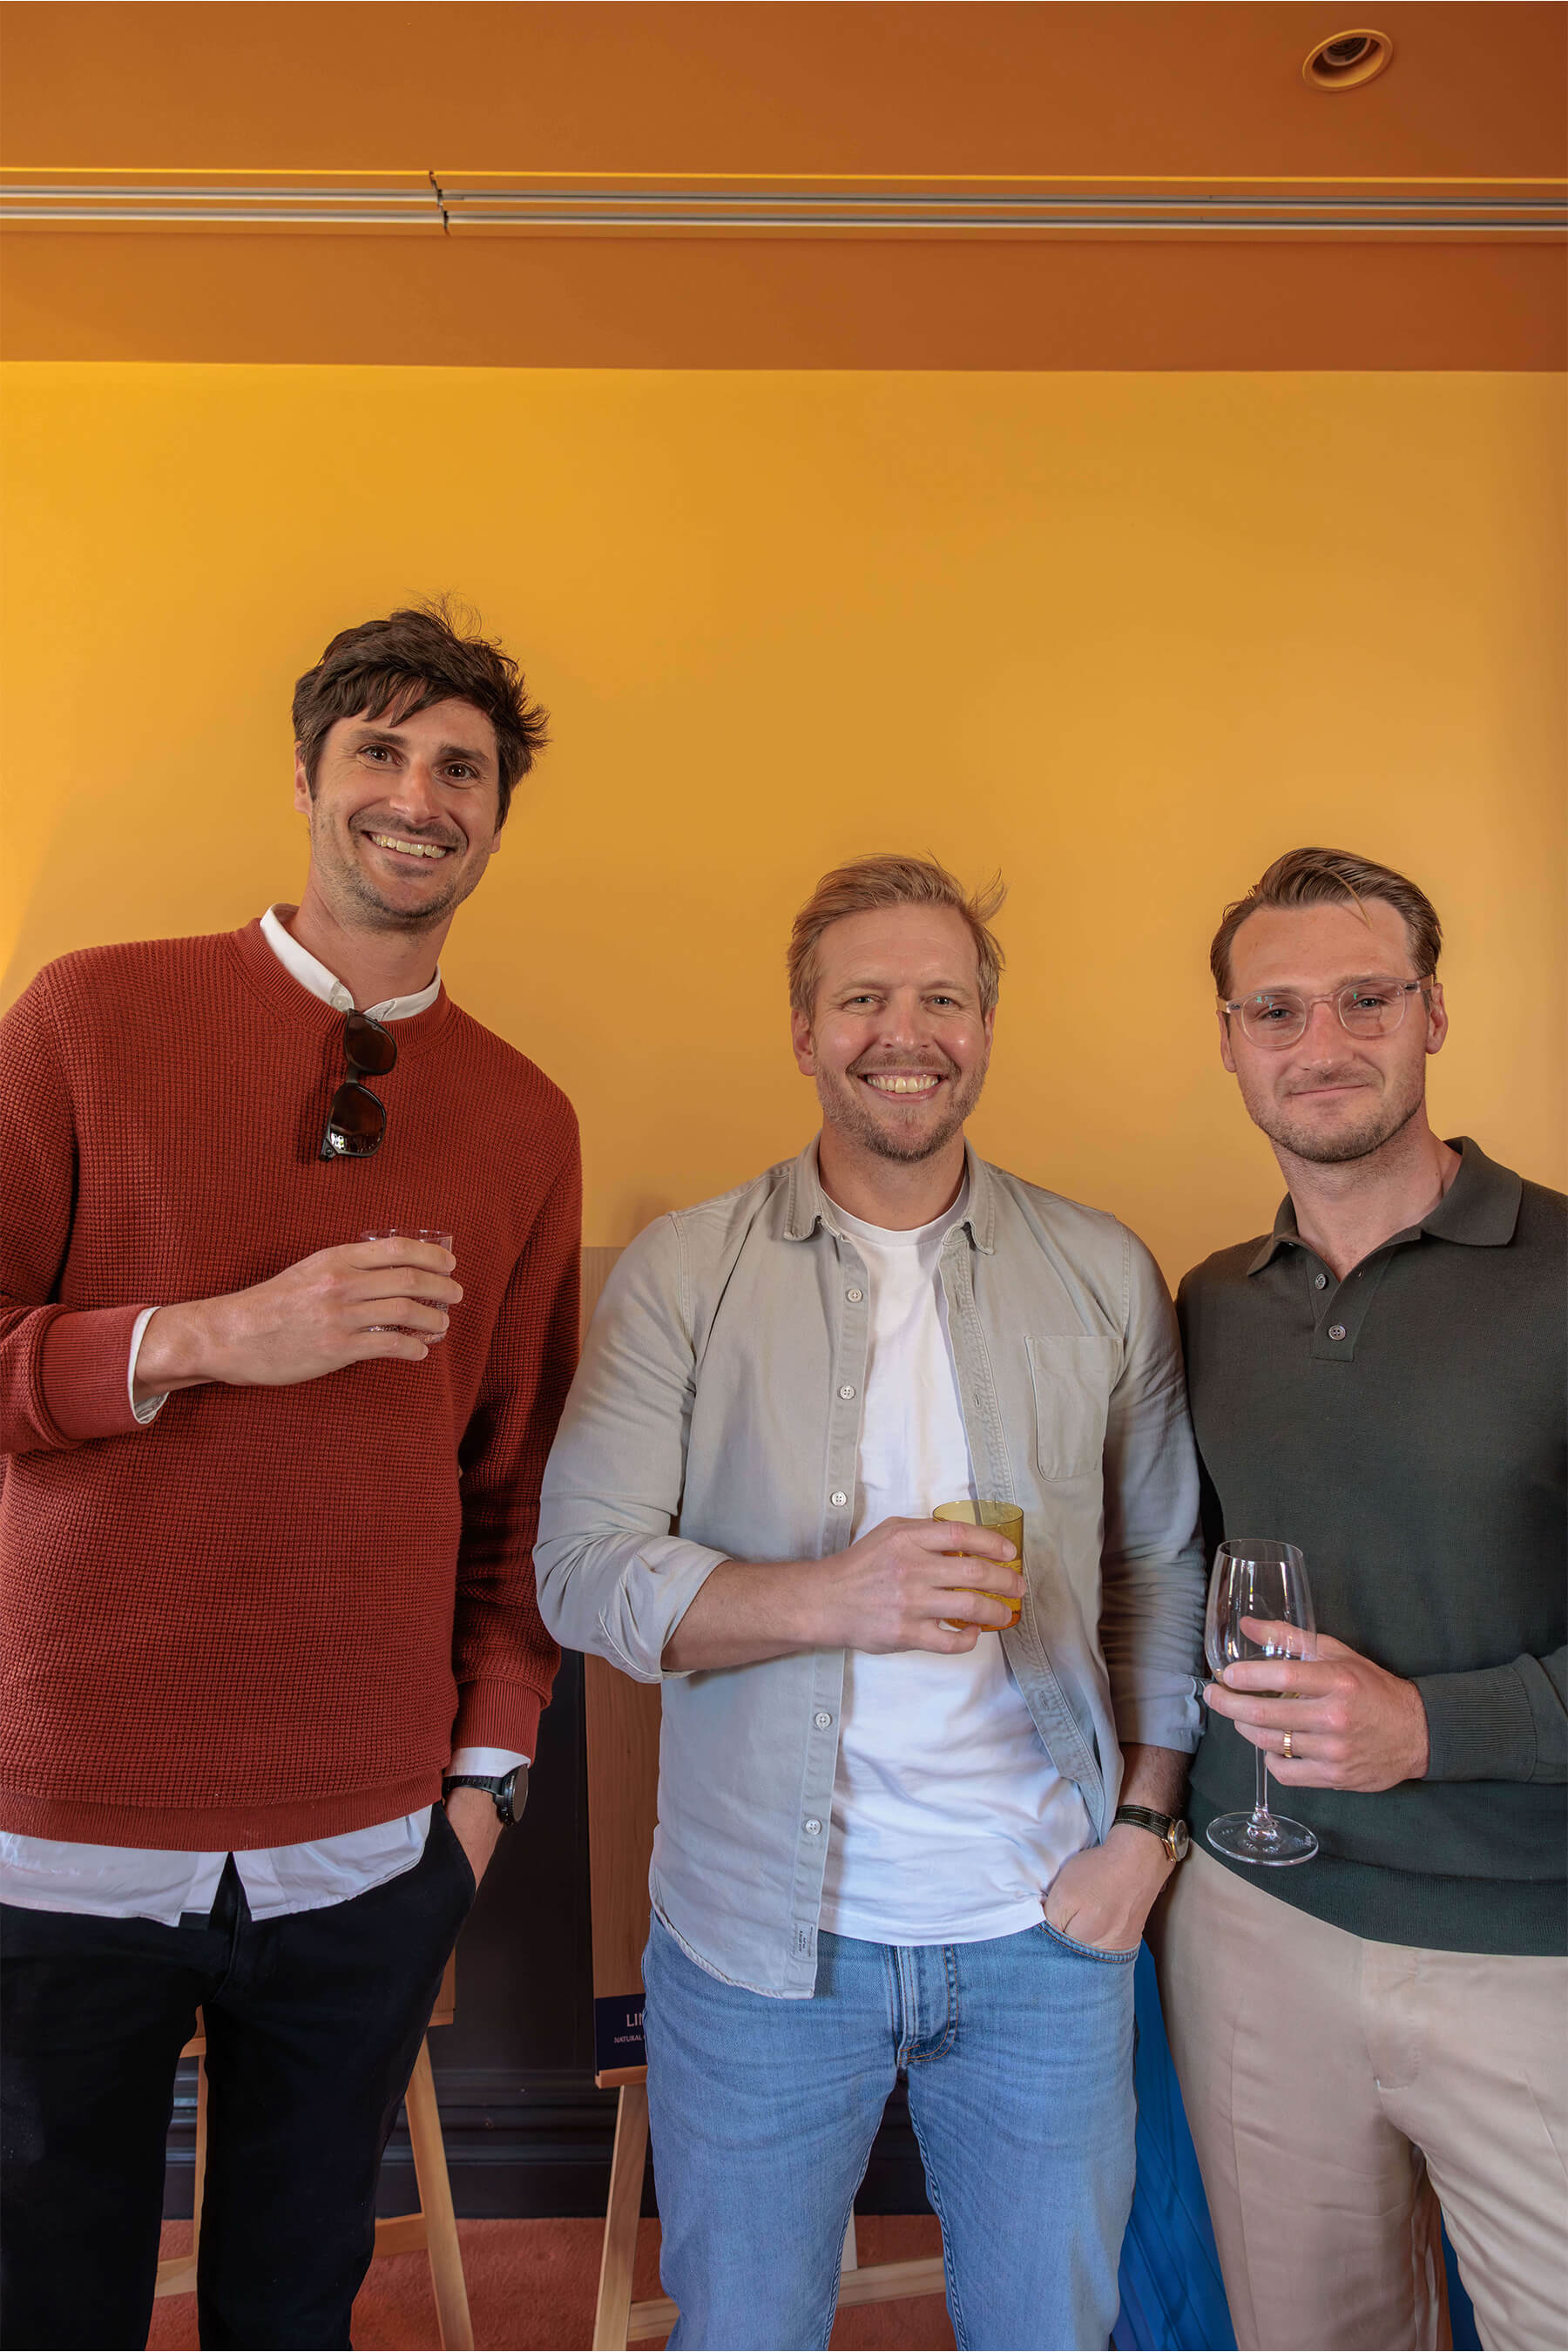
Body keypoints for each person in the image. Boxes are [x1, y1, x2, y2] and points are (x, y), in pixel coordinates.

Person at [0, 603, 581, 2350]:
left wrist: (482, 1789)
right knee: (45, 2300)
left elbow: (519, 1484)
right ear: (312, 782)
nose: (420, 794)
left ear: (495, 815)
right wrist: (199, 1339)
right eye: (382, 753)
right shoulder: (91, 1014)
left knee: (293, 2304)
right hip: (64, 1823)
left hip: (363, 1846)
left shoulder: (523, 1117)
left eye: (461, 767)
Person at [537, 853, 1206, 2352]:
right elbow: (580, 1574)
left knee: (1053, 2332)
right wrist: (834, 1595)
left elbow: (1160, 1566)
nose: (906, 1032)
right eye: (864, 999)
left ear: (984, 1026)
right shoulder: (684, 1273)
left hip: (1048, 1926)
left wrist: (1146, 1836)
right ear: (802, 1030)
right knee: (746, 2335)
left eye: (943, 999)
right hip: (757, 1945)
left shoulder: (1100, 1270)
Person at [1152, 846, 1567, 2352]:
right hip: (1260, 1924)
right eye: (1276, 1011)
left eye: (1365, 999)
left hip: (1534, 1945)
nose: (1319, 1045)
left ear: (1436, 1014)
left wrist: (1431, 1729)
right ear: (1229, 1042)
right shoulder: (1206, 1303)